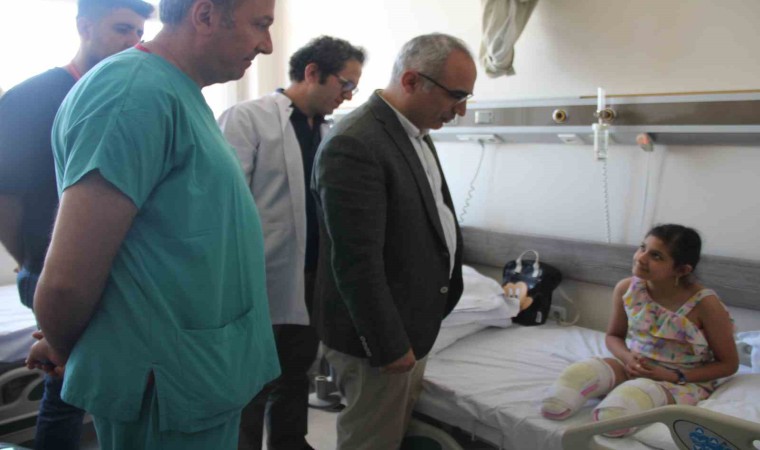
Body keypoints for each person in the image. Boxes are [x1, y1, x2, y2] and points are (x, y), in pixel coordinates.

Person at [23, 0, 281, 448]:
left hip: (199, 375)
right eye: (260, 25)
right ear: (204, 15)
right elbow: (65, 282)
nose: (267, 45)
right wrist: (67, 346)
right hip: (167, 386)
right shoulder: (131, 93)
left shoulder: (175, 90)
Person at [310, 33, 475, 449]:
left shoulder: (414, 133)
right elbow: (355, 262)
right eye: (456, 96)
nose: (461, 110)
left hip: (411, 327)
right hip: (378, 341)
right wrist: (388, 345)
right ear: (411, 81)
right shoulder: (356, 142)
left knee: (390, 437)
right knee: (370, 442)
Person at [0, 1, 153, 448]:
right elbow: (4, 198)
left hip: (117, 271)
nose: (133, 42)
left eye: (139, 33)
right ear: (84, 26)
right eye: (122, 28)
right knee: (66, 388)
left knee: (106, 387)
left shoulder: (125, 98)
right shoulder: (33, 98)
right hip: (56, 273)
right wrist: (35, 262)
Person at [218, 35, 365, 450]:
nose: (348, 95)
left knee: (295, 372)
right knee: (250, 380)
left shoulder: (332, 132)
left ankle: (289, 443)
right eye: (345, 84)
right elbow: (223, 206)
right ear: (312, 73)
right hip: (259, 277)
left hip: (313, 277)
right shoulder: (248, 119)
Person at [541, 224, 739, 436]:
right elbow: (613, 336)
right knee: (580, 375)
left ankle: (628, 402)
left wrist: (674, 375)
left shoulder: (705, 304)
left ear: (681, 270)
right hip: (634, 366)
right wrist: (628, 358)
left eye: (656, 256)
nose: (641, 258)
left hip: (682, 380)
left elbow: (729, 364)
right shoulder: (627, 289)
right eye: (642, 247)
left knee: (622, 408)